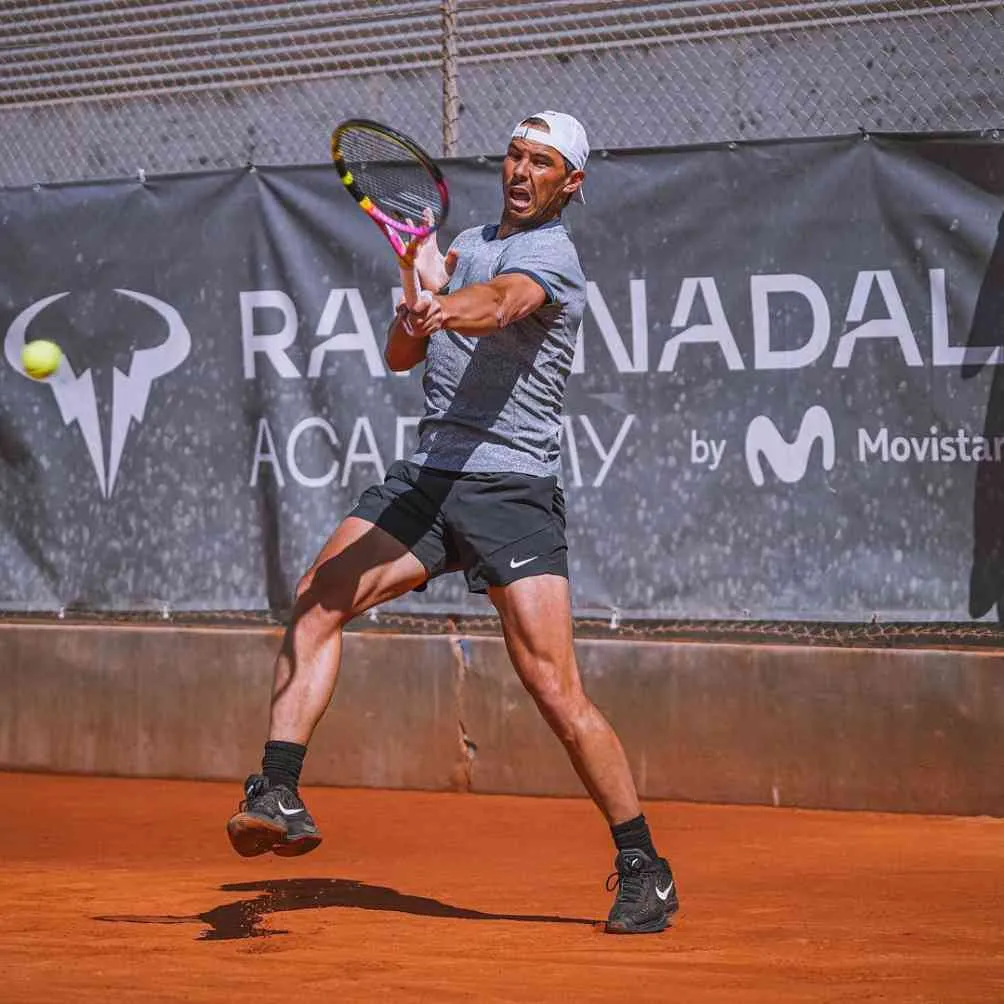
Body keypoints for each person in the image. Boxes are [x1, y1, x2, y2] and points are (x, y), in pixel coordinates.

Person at [226, 110, 679, 935]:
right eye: (513, 155)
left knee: (554, 688)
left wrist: (447, 300)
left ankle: (644, 863)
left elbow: (501, 304)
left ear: (569, 183)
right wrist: (416, 303)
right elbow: (404, 357)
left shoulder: (550, 257)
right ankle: (278, 788)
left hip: (510, 489)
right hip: (430, 478)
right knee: (318, 596)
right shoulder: (462, 242)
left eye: (541, 162)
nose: (520, 171)